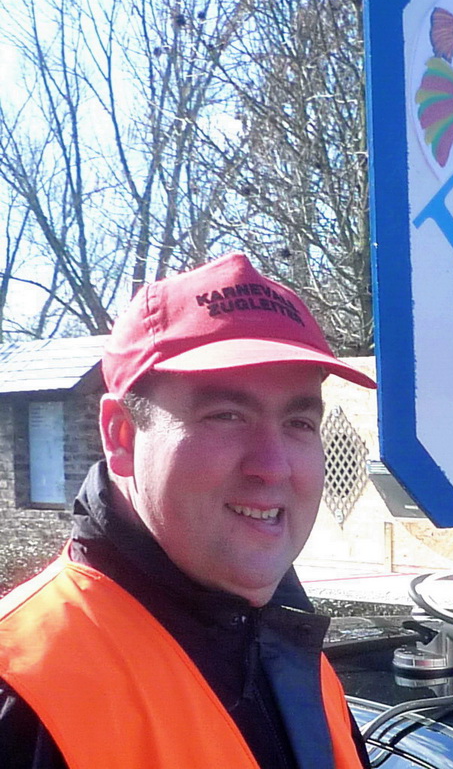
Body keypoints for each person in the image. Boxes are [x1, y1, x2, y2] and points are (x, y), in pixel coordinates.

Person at [0, 252, 377, 768]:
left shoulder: (290, 654)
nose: (273, 467)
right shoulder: (25, 692)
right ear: (122, 436)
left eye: (299, 424)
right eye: (227, 416)